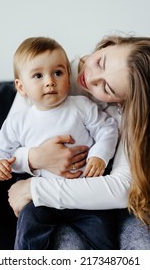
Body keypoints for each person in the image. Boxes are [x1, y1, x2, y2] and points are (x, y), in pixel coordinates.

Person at [8, 34, 150, 250]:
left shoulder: (131, 111)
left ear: (123, 100)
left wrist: (34, 189)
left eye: (108, 89)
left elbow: (122, 188)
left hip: (113, 201)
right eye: (100, 62)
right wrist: (34, 157)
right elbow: (8, 142)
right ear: (111, 43)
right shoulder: (46, 69)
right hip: (56, 196)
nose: (91, 78)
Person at [0, 37, 119, 249]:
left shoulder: (81, 106)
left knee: (103, 235)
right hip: (42, 197)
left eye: (58, 72)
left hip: (85, 195)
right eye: (38, 75)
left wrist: (99, 155)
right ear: (21, 87)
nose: (50, 81)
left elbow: (108, 129)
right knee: (29, 225)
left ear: (68, 76)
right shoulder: (18, 121)